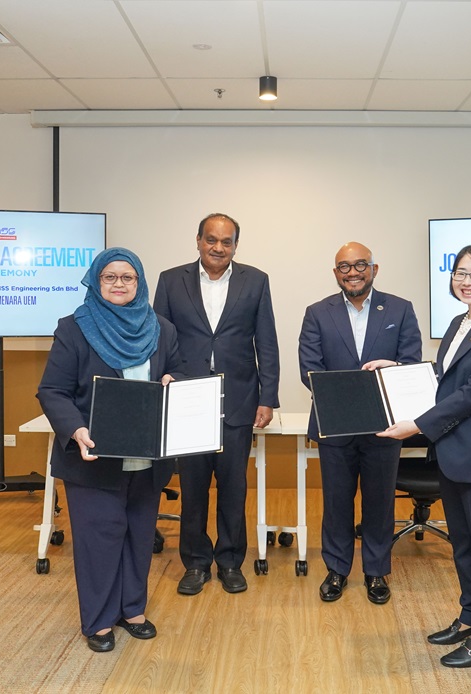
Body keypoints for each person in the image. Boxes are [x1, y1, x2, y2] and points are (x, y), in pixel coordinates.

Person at [377, 242, 471, 668]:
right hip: (455, 456)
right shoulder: (461, 322)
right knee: (464, 547)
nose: (467, 281)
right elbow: (445, 378)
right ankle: (470, 617)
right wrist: (397, 369)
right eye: (460, 273)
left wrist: (417, 425)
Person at [37, 247, 186, 654]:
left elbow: (177, 370)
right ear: (95, 281)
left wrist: (175, 379)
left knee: (139, 535)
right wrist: (76, 429)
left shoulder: (161, 329)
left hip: (147, 457)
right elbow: (52, 391)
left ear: (140, 282)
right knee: (99, 540)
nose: (119, 284)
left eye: (127, 277)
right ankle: (100, 620)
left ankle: (132, 610)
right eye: (110, 277)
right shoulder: (75, 328)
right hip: (94, 456)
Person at [153, 213, 280, 596]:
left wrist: (268, 397)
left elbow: (266, 341)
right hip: (187, 400)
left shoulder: (255, 280)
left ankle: (229, 562)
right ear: (198, 240)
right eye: (211, 239)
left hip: (237, 399)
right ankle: (195, 563)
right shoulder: (170, 280)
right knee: (193, 489)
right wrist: (161, 386)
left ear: (236, 246)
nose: (218, 248)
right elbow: (158, 338)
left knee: (233, 487)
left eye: (226, 242)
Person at [299, 242, 421, 604]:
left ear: (374, 269)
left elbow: (410, 363)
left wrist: (391, 371)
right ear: (335, 272)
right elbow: (310, 370)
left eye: (360, 265)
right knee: (336, 502)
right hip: (335, 424)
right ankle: (337, 569)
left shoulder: (400, 309)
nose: (352, 272)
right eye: (344, 266)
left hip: (384, 426)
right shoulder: (317, 313)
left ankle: (376, 571)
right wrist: (350, 402)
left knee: (379, 503)